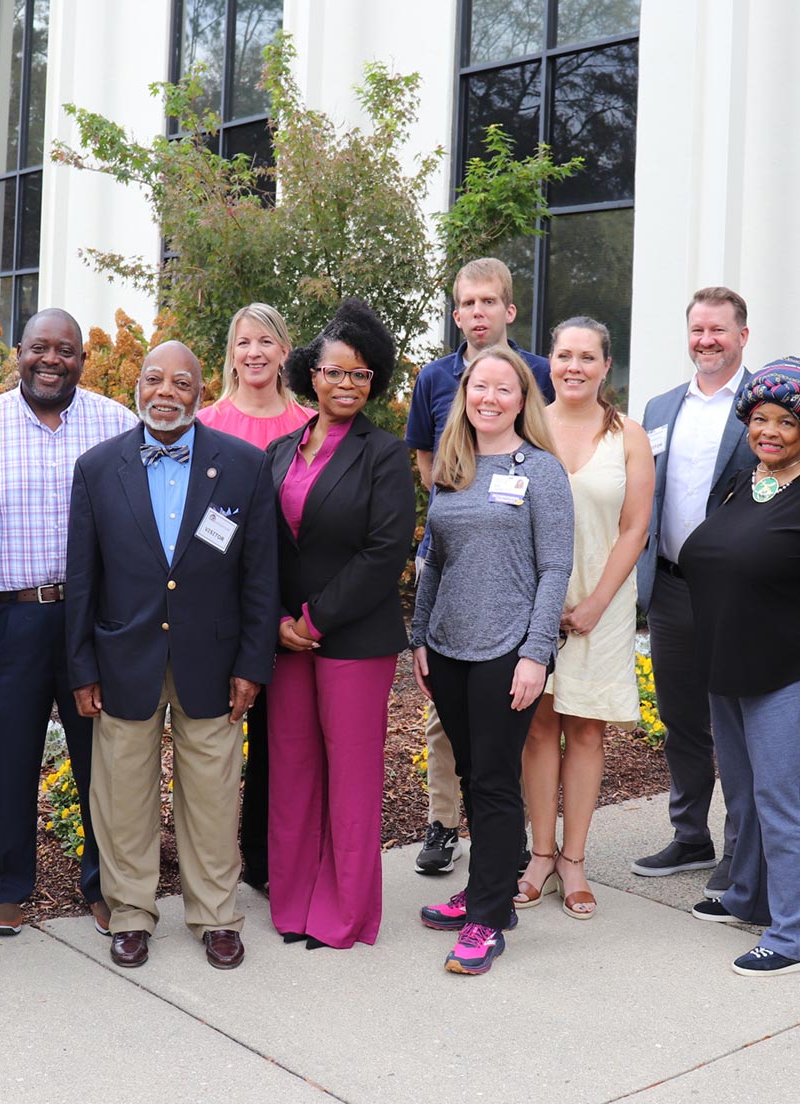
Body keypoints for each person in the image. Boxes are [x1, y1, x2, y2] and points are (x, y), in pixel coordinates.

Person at [66, 341, 278, 971]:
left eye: (179, 382)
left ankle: (216, 915)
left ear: (200, 392)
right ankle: (130, 914)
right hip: (122, 659)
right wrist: (81, 666)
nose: (165, 391)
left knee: (212, 795)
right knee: (122, 796)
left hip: (212, 664)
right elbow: (84, 577)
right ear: (138, 387)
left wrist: (251, 665)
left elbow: (260, 578)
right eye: (153, 379)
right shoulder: (99, 467)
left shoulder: (243, 465)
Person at [0, 308, 136, 938]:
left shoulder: (117, 424)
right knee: (5, 755)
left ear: (83, 358)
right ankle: (3, 886)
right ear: (17, 353)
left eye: (66, 350)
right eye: (39, 348)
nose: (51, 360)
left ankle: (108, 885)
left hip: (95, 619)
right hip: (7, 619)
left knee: (102, 757)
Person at [683, 359, 800, 976]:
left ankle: (794, 939)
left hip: (787, 674)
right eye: (759, 418)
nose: (769, 430)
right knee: (744, 796)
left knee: (785, 801)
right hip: (728, 667)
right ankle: (748, 895)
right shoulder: (744, 481)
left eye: (784, 421)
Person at [411, 345, 573, 976]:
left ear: (522, 399)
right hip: (447, 647)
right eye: (481, 387)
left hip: (508, 649)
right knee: (474, 772)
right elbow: (434, 560)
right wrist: (419, 636)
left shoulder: (542, 471)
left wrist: (537, 653)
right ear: (465, 394)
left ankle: (485, 918)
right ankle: (492, 891)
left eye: (504, 389)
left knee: (496, 780)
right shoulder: (450, 465)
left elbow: (555, 566)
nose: (490, 398)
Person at [265, 299, 416, 949]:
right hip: (284, 640)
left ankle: (344, 914)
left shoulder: (385, 455)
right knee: (292, 772)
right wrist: (275, 619)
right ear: (311, 375)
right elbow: (260, 547)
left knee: (350, 779)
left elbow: (385, 552)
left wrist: (314, 619)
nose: (348, 385)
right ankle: (293, 903)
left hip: (353, 639)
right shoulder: (277, 452)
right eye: (335, 372)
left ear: (373, 383)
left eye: (361, 376)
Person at [404, 258, 554, 877]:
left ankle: (507, 842)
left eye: (489, 302)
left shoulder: (538, 374)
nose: (477, 313)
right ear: (457, 311)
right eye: (467, 303)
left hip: (513, 578)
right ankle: (446, 826)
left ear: (509, 310)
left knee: (510, 732)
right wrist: (459, 511)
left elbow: (547, 471)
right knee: (451, 725)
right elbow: (425, 458)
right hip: (453, 557)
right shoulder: (434, 377)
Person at [519, 318, 653, 920]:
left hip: (605, 597)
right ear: (549, 360)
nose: (574, 366)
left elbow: (636, 527)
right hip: (530, 597)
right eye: (564, 355)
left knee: (587, 728)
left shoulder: (629, 434)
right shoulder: (526, 425)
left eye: (587, 357)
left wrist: (598, 600)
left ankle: (574, 860)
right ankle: (540, 855)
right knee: (539, 725)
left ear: (606, 366)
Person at [631, 286, 758, 898]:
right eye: (697, 330)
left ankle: (740, 850)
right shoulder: (659, 407)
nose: (706, 340)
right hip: (672, 588)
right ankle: (690, 835)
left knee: (734, 722)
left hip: (737, 597)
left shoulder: (763, 406)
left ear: (742, 336)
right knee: (682, 717)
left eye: (718, 330)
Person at [197, 303, 313, 893]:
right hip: (219, 604)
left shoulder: (311, 424)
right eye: (244, 342)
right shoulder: (205, 422)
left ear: (285, 351)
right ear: (231, 352)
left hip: (293, 610)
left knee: (278, 742)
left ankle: (268, 862)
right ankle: (213, 858)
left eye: (266, 341)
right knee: (214, 741)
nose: (255, 354)